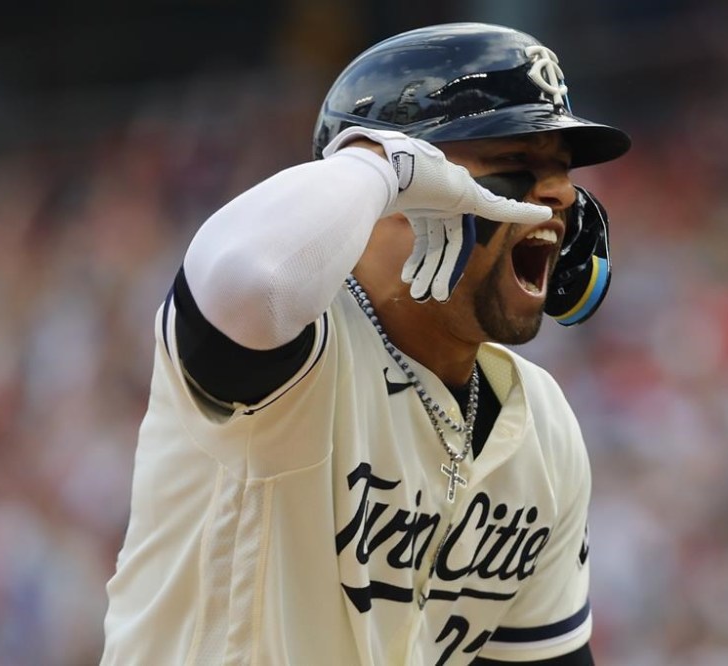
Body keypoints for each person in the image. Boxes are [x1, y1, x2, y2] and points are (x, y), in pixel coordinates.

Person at [101, 22, 630, 666]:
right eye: (515, 166)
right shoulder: (296, 348)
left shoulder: (539, 424)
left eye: (561, 171)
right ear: (405, 197)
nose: (564, 196)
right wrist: (380, 164)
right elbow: (247, 277)